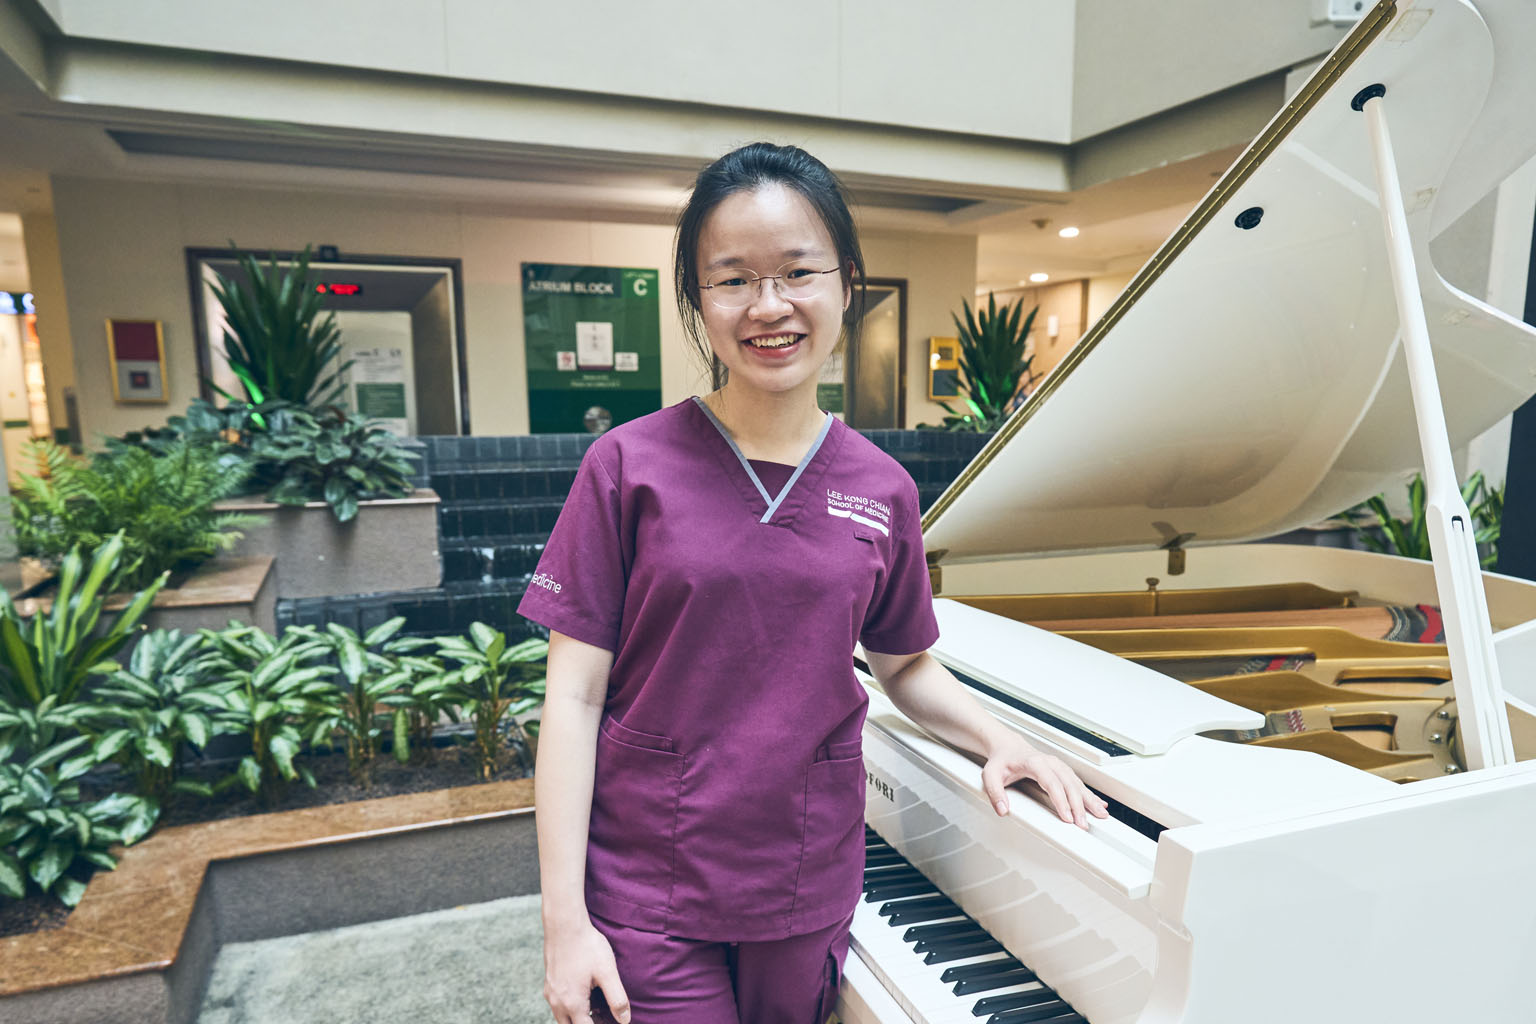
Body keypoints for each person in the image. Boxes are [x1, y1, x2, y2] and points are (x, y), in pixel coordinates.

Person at [520, 142, 1109, 1024]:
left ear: (846, 283)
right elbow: (572, 696)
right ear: (697, 298)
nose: (770, 306)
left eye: (798, 272)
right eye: (733, 279)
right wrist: (563, 924)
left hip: (802, 882)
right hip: (649, 888)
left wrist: (1001, 741)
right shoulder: (626, 467)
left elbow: (905, 665)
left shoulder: (883, 488)